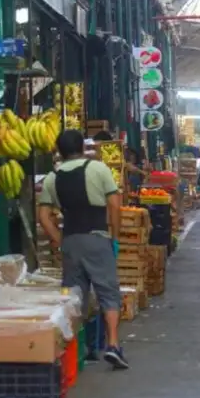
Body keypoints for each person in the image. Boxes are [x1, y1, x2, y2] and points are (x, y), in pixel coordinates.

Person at [37, 129, 129, 369]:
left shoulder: (51, 178)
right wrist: (114, 237)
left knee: (74, 297)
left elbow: (44, 216)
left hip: (71, 241)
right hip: (97, 237)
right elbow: (114, 205)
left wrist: (59, 239)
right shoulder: (98, 169)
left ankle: (79, 351)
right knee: (108, 293)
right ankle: (113, 345)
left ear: (59, 151)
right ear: (82, 147)